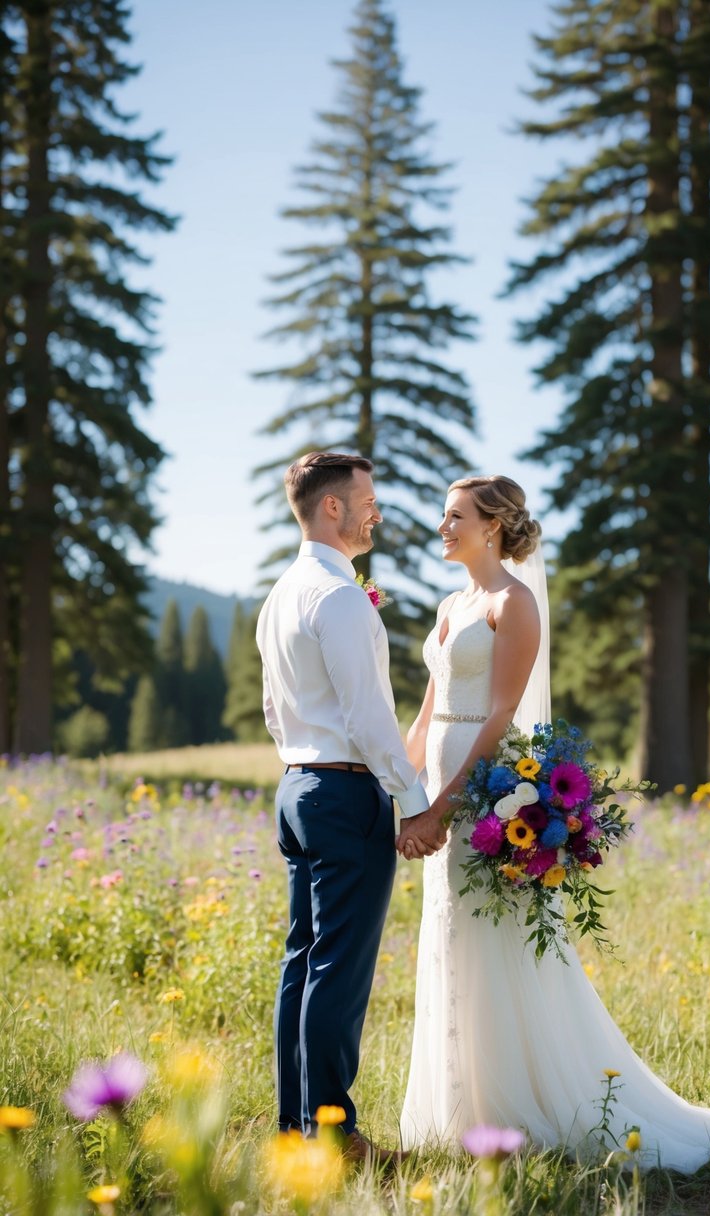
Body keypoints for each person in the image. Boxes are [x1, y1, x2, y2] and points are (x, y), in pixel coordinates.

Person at [396, 474, 710, 1172]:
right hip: (434, 782)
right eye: (443, 516)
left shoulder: (514, 604)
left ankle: (515, 1112)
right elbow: (425, 714)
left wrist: (442, 806)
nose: (442, 527)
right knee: (450, 939)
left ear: (493, 526)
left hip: (479, 794)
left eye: (455, 517)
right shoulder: (451, 602)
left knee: (491, 942)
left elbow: (500, 715)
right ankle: (459, 1109)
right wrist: (394, 787)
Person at [256, 451, 431, 1163]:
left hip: (298, 786)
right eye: (367, 498)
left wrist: (302, 767)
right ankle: (332, 1136)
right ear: (332, 507)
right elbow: (367, 716)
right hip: (343, 789)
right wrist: (412, 802)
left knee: (304, 962)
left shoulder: (282, 594)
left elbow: (274, 709)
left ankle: (297, 1128)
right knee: (338, 969)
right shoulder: (338, 598)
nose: (375, 511)